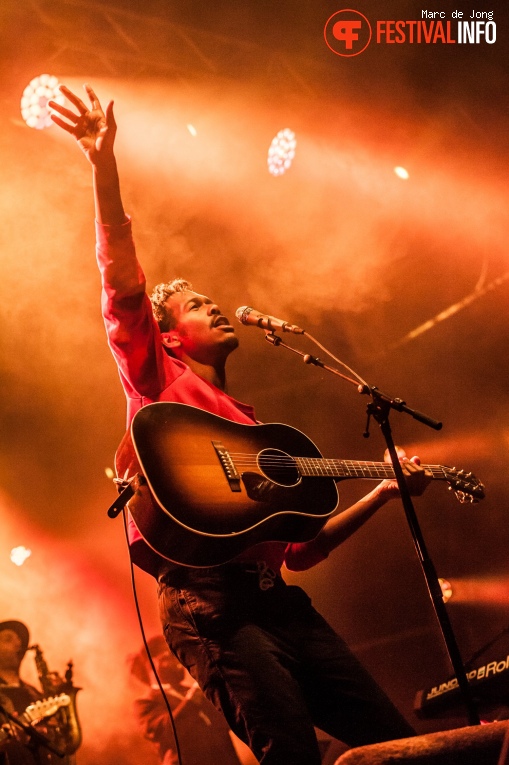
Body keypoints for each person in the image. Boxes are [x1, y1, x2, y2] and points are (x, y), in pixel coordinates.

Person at [49, 84, 432, 765]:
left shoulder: (252, 430)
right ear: (167, 338)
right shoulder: (156, 380)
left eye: (213, 299)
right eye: (198, 305)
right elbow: (122, 285)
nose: (217, 308)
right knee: (288, 750)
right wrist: (103, 166)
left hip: (279, 603)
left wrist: (379, 491)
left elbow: (299, 553)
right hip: (209, 605)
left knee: (401, 744)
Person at [129, 635, 245, 765]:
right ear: (151, 664)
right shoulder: (145, 703)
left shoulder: (196, 690)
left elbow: (228, 722)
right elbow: (166, 732)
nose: (178, 661)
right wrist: (191, 702)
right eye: (167, 656)